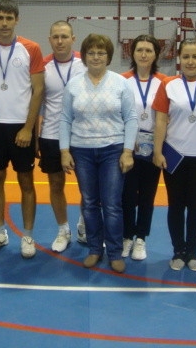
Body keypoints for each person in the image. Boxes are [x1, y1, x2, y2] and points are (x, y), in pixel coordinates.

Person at [60, 34, 138, 273]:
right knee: (90, 203)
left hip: (113, 150)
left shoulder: (121, 83)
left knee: (112, 204)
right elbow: (65, 119)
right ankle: (95, 249)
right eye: (91, 53)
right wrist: (64, 150)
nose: (96, 57)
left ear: (108, 56)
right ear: (84, 56)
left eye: (101, 53)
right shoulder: (73, 84)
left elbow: (131, 118)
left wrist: (127, 151)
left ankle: (114, 252)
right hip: (81, 151)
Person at [0, 0, 45, 258]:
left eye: (9, 18)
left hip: (21, 127)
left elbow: (38, 90)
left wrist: (28, 128)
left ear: (17, 20)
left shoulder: (31, 48)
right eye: (0, 18)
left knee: (26, 181)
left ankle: (28, 235)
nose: (5, 23)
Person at [152, 38, 196, 271]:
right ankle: (178, 250)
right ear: (180, 58)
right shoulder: (168, 84)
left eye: (195, 57)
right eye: (186, 57)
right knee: (176, 205)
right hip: (175, 155)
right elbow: (160, 120)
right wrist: (157, 151)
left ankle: (192, 251)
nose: (191, 61)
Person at [37, 20, 86, 252]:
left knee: (88, 187)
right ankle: (63, 229)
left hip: (82, 136)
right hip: (51, 135)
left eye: (64, 36)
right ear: (50, 40)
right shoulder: (42, 67)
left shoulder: (85, 64)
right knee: (56, 184)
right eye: (55, 37)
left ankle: (85, 225)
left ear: (73, 39)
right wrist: (35, 136)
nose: (60, 41)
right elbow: (36, 103)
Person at [120, 35, 166, 261]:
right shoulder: (122, 80)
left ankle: (141, 238)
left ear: (156, 54)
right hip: (129, 147)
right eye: (139, 50)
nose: (144, 54)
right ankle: (126, 236)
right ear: (132, 53)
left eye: (149, 50)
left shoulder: (165, 82)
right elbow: (117, 114)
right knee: (127, 195)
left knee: (148, 195)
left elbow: (166, 116)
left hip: (153, 147)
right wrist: (127, 141)